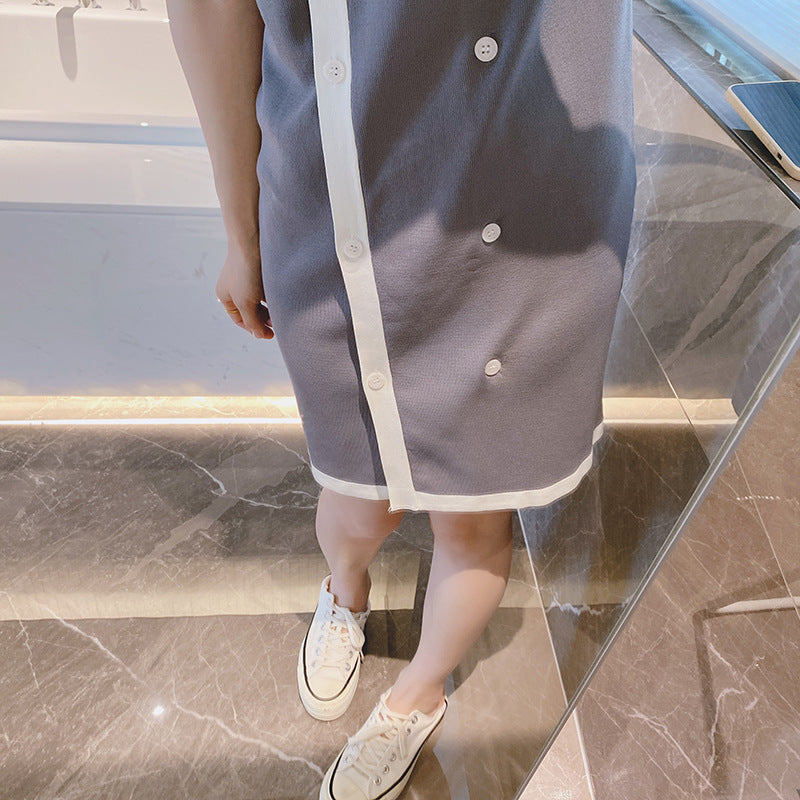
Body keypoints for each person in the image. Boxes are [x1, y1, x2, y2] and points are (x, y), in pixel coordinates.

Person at [167, 1, 635, 798]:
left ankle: (417, 694)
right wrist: (242, 234)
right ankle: (344, 592)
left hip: (526, 213)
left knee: (473, 519)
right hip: (330, 212)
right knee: (357, 500)